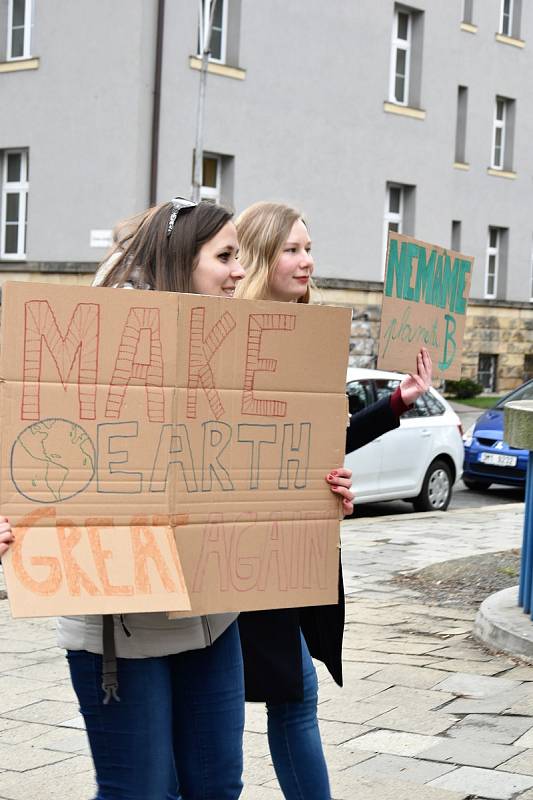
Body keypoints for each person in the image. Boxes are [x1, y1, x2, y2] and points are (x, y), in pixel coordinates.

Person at [0, 198, 354, 800]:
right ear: (178, 261)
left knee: (218, 787)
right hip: (118, 628)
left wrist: (314, 494)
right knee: (140, 791)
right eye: (225, 257)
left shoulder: (232, 355)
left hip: (212, 622)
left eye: (241, 256)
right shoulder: (96, 349)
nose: (240, 272)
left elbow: (258, 457)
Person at [234, 201, 432, 799]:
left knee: (292, 694)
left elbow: (325, 439)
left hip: (298, 546)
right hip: (241, 546)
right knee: (277, 694)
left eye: (308, 248)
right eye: (291, 249)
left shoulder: (313, 335)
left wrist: (398, 402)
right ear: (261, 255)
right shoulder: (221, 339)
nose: (306, 260)